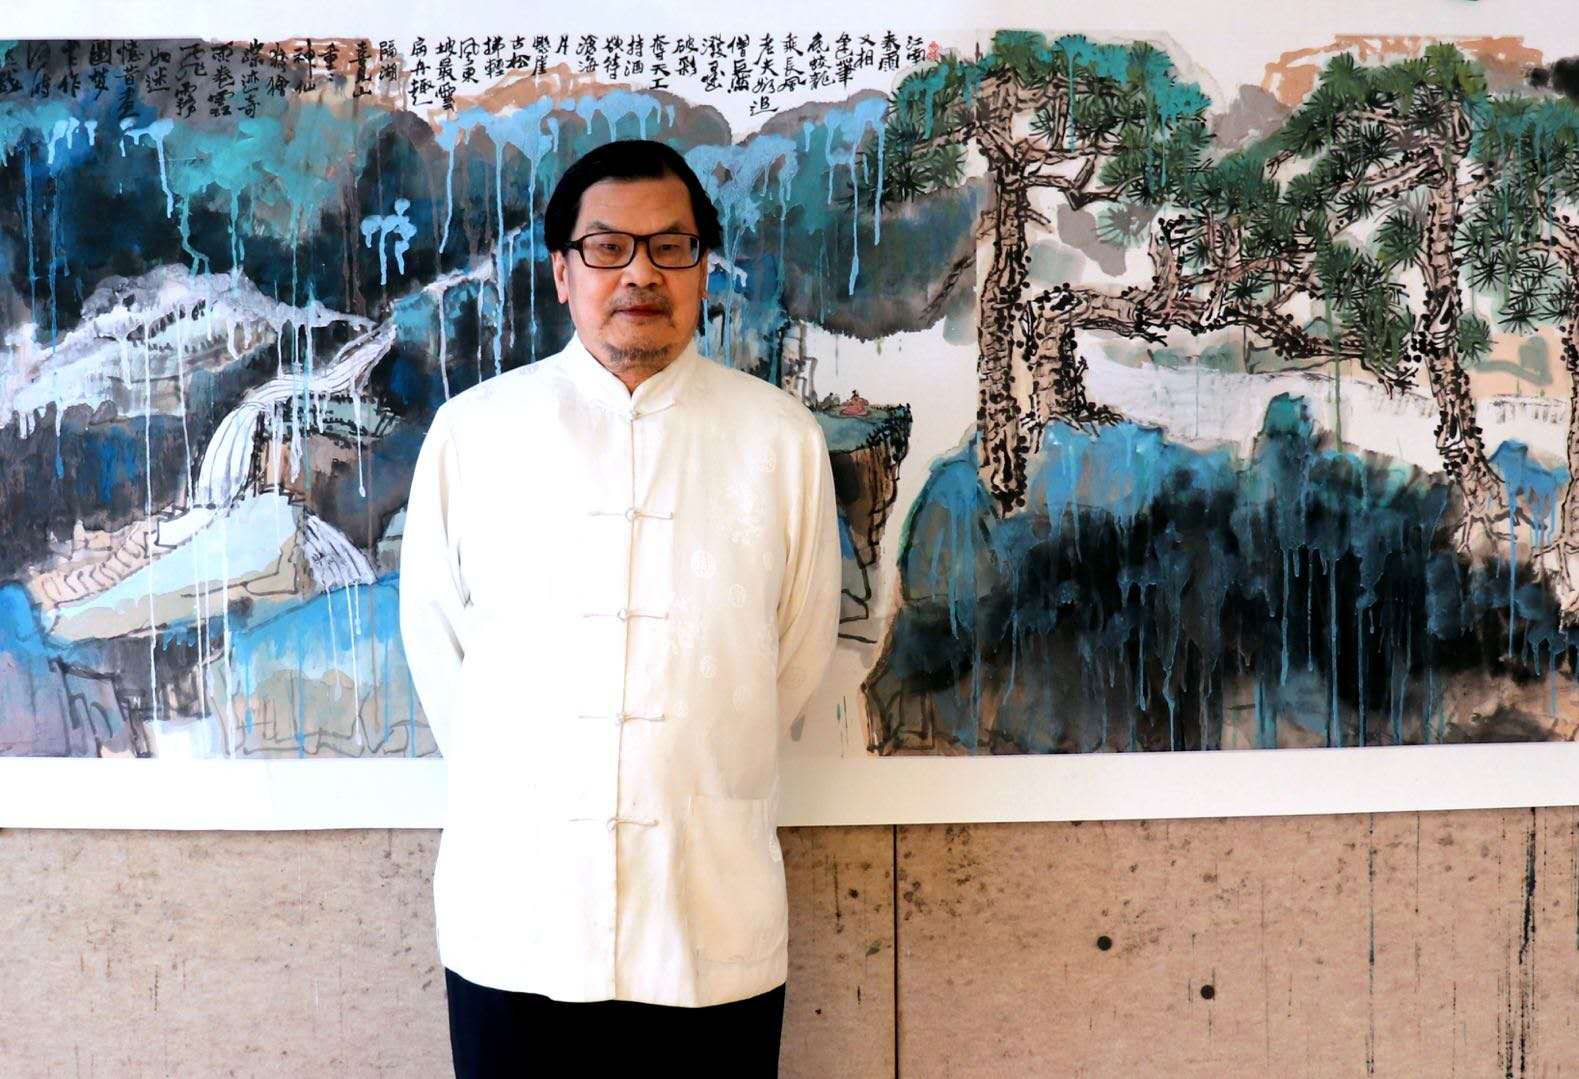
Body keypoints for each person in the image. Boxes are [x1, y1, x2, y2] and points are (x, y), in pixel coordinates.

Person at [398, 138, 843, 1078]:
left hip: (706, 909)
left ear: (703, 267)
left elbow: (796, 655)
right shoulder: (475, 434)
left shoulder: (779, 440)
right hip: (518, 912)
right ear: (563, 272)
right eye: (606, 248)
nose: (640, 273)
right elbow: (439, 652)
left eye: (669, 247)